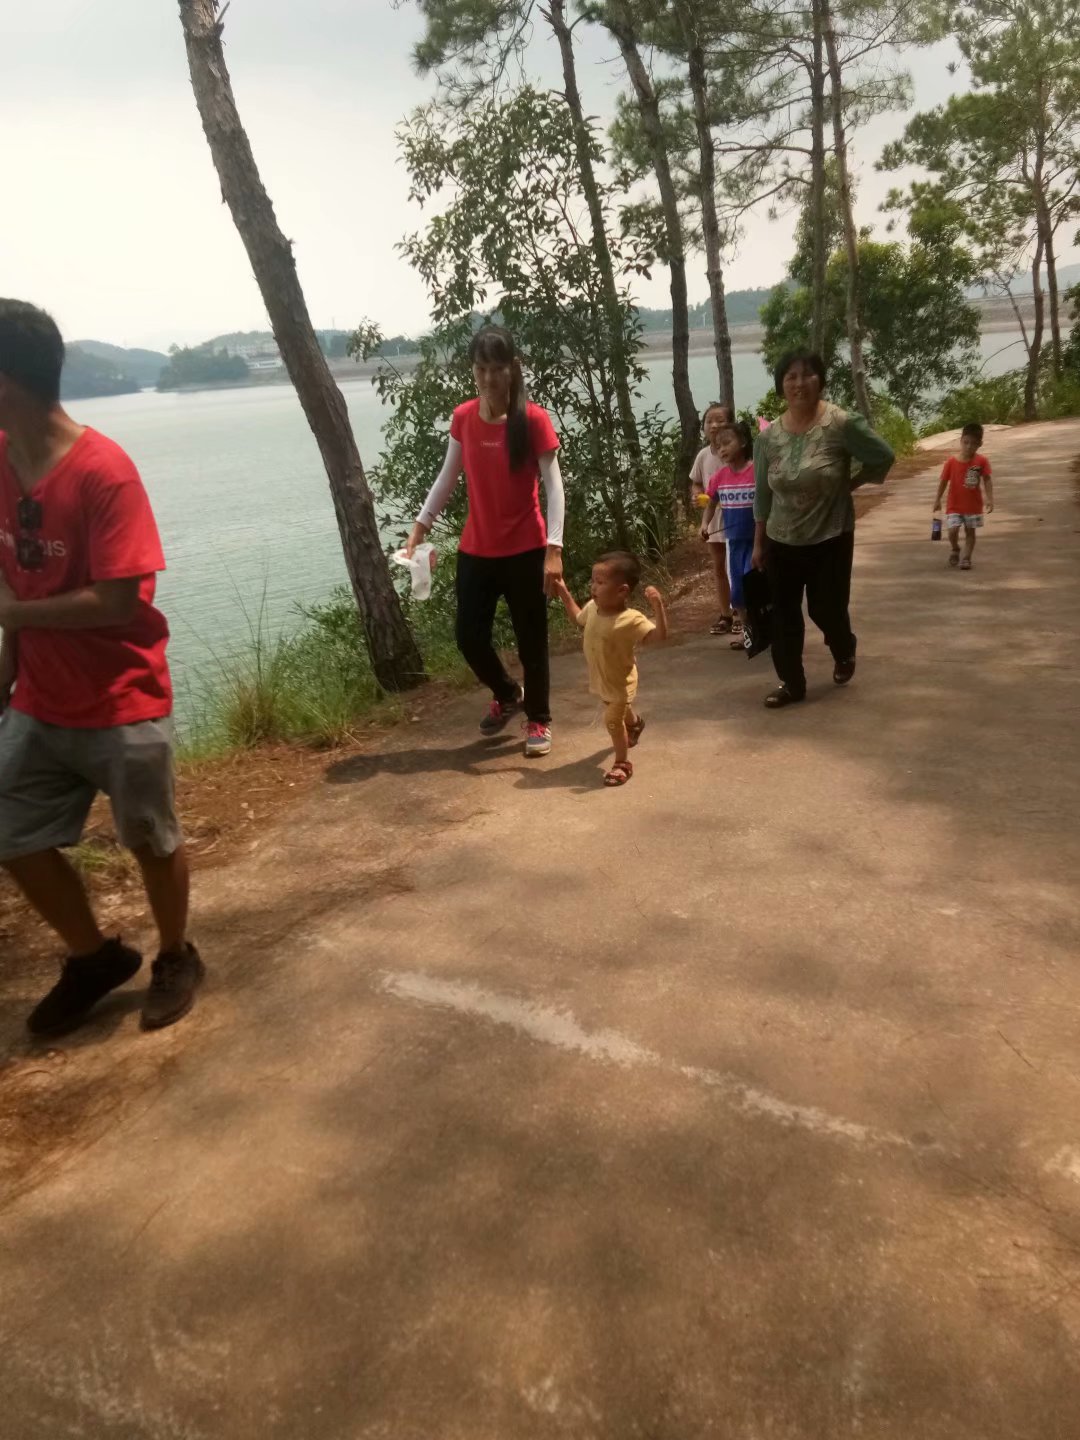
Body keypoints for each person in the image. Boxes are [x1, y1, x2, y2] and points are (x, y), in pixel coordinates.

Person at [0, 299, 202, 1036]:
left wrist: (16, 616)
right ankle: (93, 958)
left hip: (122, 696)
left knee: (150, 838)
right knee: (9, 828)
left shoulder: (104, 472)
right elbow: (11, 580)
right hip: (38, 698)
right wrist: (8, 666)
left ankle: (176, 955)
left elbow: (118, 599)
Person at [405, 326, 564, 758]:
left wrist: (554, 550)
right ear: (472, 370)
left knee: (532, 640)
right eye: (481, 368)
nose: (489, 378)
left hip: (526, 549)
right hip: (477, 549)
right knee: (468, 637)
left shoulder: (533, 420)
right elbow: (447, 476)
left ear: (513, 368)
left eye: (497, 368)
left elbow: (554, 487)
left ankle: (538, 718)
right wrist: (421, 525)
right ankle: (508, 693)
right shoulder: (464, 417)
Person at [752, 349, 895, 709]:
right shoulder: (767, 438)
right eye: (791, 376)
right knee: (783, 614)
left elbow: (883, 455)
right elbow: (762, 496)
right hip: (781, 538)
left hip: (830, 535)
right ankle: (791, 683)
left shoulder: (841, 423)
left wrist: (852, 483)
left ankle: (844, 649)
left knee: (826, 609)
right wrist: (758, 544)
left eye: (807, 374)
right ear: (781, 385)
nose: (799, 383)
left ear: (820, 380)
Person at [553, 552, 668, 788]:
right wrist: (564, 593)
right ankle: (635, 724)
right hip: (602, 678)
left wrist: (658, 607)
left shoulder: (631, 619)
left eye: (600, 582)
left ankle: (622, 763)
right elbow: (578, 618)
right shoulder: (592, 608)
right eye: (593, 581)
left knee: (612, 721)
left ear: (622, 591)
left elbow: (659, 636)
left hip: (621, 682)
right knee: (617, 709)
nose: (593, 587)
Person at [700, 420, 756, 649]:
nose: (722, 449)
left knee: (756, 587)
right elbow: (710, 504)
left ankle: (765, 629)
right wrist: (704, 524)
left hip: (758, 541)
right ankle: (748, 633)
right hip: (734, 544)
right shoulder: (719, 478)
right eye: (718, 446)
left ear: (742, 442)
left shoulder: (757, 472)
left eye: (727, 443)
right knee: (738, 592)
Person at [690, 402, 737, 634]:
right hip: (714, 521)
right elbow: (697, 482)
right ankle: (725, 614)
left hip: (738, 517)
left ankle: (741, 612)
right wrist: (697, 495)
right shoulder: (702, 456)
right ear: (704, 427)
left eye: (720, 420)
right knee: (719, 567)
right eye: (709, 421)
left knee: (737, 567)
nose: (714, 425)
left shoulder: (737, 453)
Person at [934, 422, 993, 570]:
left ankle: (966, 558)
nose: (968, 446)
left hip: (973, 505)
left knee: (970, 532)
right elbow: (943, 481)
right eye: (966, 442)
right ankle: (955, 548)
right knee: (952, 530)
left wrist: (990, 498)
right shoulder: (951, 462)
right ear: (960, 441)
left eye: (973, 444)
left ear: (979, 444)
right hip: (954, 505)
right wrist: (937, 499)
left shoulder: (982, 461)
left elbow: (987, 479)